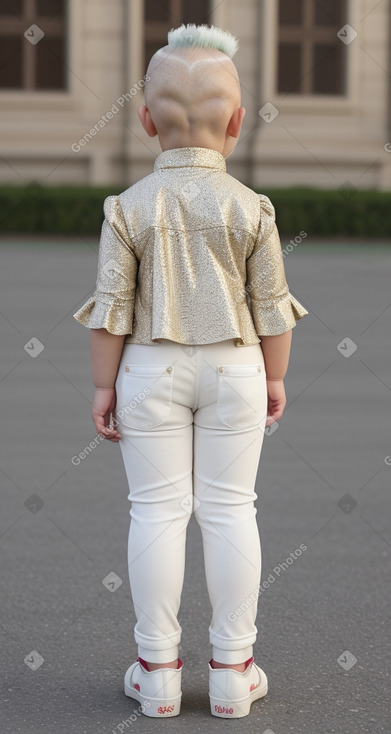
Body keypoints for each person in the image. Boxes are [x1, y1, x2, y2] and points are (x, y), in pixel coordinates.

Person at [73, 23, 309, 719]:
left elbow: (111, 312)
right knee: (233, 511)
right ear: (238, 122)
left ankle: (158, 672)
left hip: (148, 368)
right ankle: (234, 671)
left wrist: (102, 385)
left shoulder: (127, 209)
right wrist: (273, 377)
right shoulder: (251, 209)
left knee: (155, 512)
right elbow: (273, 311)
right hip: (237, 366)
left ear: (145, 120)